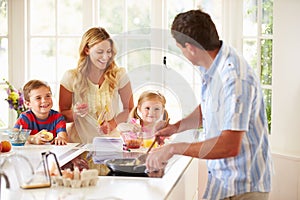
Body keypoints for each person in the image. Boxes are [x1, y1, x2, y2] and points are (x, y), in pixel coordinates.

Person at [146, 9, 273, 200]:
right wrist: (174, 128)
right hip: (222, 182)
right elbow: (209, 108)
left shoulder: (234, 78)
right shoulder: (213, 64)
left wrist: (173, 148)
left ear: (190, 48)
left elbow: (230, 145)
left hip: (242, 187)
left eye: (180, 48)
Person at [59, 27, 134, 143]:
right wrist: (76, 113)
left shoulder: (119, 75)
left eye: (109, 51)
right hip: (79, 145)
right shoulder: (71, 77)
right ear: (87, 50)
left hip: (111, 144)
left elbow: (128, 108)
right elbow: (61, 116)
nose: (105, 57)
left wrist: (112, 124)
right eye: (100, 52)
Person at [14, 80, 68, 145]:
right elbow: (15, 135)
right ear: (28, 104)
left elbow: (62, 136)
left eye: (48, 96)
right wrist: (32, 139)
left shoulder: (58, 117)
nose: (44, 100)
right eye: (38, 98)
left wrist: (60, 138)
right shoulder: (25, 118)